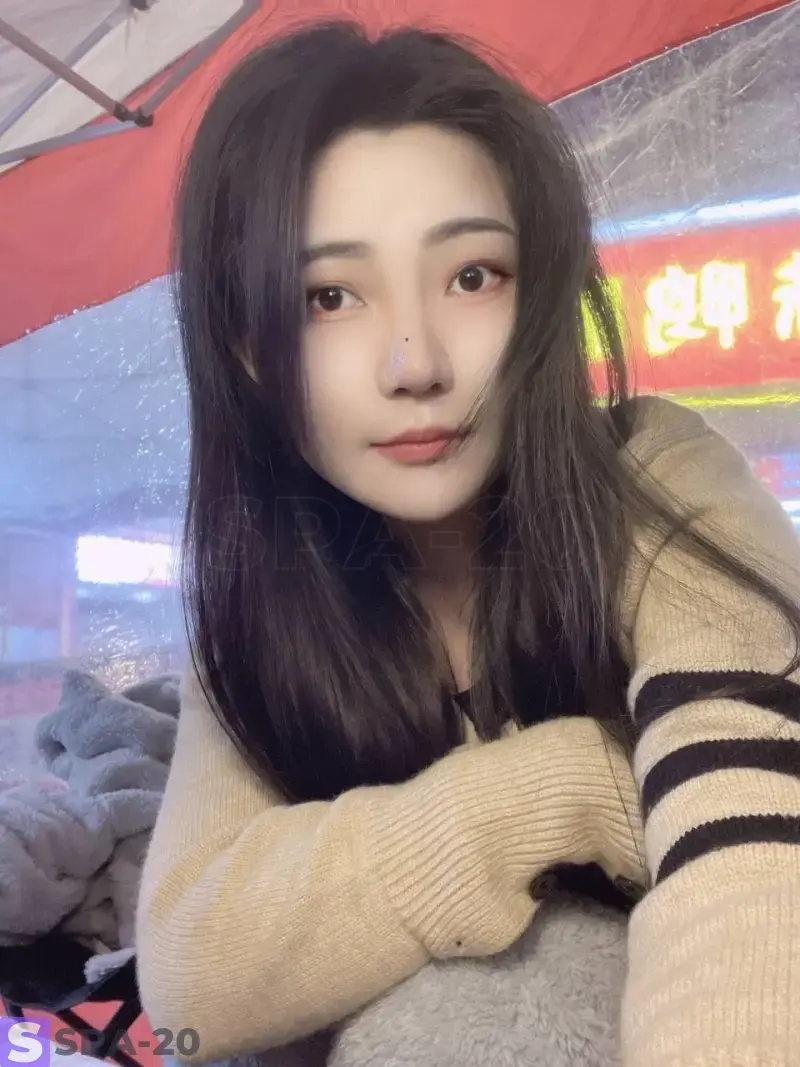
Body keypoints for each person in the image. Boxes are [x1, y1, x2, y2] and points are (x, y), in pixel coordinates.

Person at [135, 21, 800, 1067]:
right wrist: (572, 782)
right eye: (328, 296)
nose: (415, 362)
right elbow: (190, 977)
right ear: (245, 345)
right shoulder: (262, 596)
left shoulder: (653, 477)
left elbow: (756, 837)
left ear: (543, 291)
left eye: (473, 275)